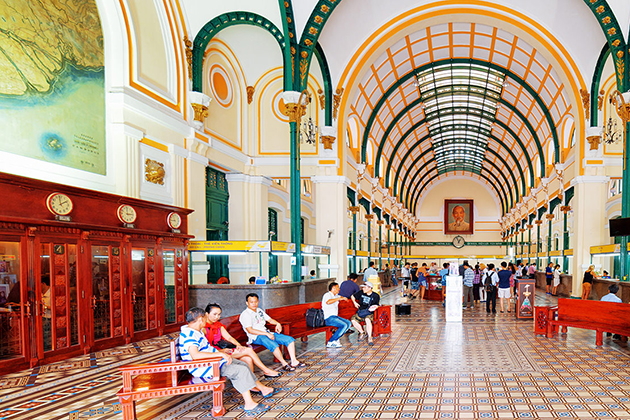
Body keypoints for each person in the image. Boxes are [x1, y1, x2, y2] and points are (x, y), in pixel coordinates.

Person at [180, 307, 276, 416]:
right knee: (240, 370)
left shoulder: (194, 331)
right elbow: (196, 355)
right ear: (201, 319)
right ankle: (249, 404)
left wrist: (221, 354)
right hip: (206, 366)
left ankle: (261, 388)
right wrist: (220, 354)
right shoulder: (190, 335)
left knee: (243, 364)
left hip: (214, 362)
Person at [203, 303, 281, 378]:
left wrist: (239, 346)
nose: (217, 317)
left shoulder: (218, 325)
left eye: (219, 314)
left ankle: (251, 383)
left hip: (224, 350)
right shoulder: (203, 328)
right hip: (215, 353)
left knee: (248, 359)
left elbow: (229, 338)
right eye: (214, 314)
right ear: (207, 314)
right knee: (249, 350)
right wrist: (220, 351)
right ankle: (266, 370)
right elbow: (204, 348)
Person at [239, 293, 306, 371]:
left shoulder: (259, 310)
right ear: (247, 303)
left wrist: (277, 323)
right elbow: (250, 330)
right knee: (274, 344)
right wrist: (267, 334)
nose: (254, 304)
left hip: (267, 333)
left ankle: (294, 361)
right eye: (251, 302)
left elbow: (270, 320)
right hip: (256, 337)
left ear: (258, 301)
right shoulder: (245, 314)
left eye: (256, 301)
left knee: (289, 340)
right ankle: (284, 364)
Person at [322, 282, 352, 348]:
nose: (339, 289)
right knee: (344, 325)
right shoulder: (327, 295)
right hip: (328, 318)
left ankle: (335, 339)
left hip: (335, 317)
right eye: (338, 288)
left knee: (348, 323)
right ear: (333, 288)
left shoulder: (335, 296)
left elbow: (340, 297)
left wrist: (343, 298)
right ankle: (331, 341)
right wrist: (339, 299)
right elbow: (328, 302)